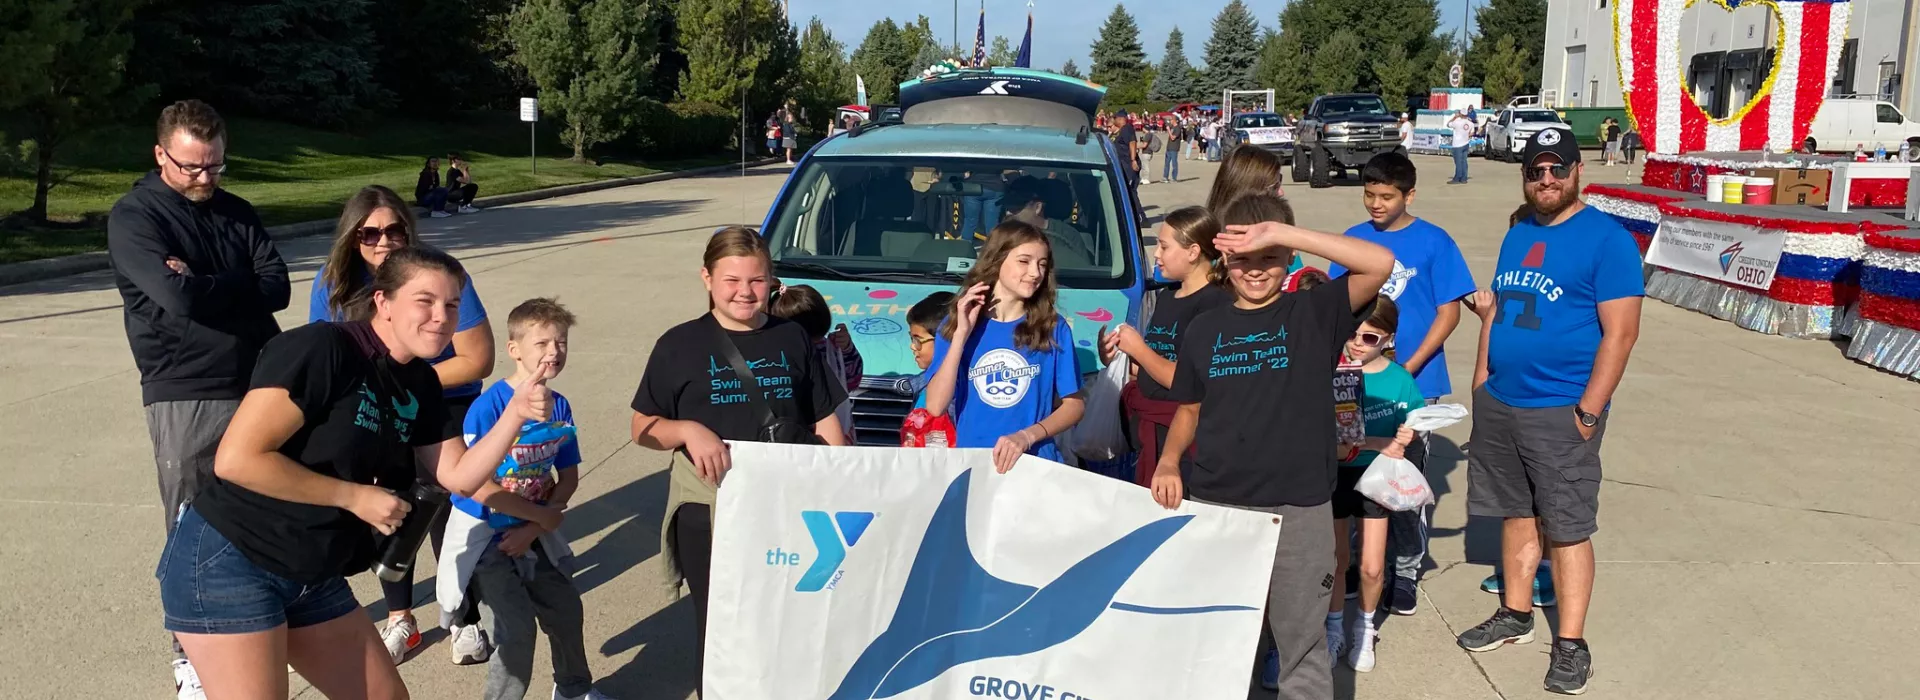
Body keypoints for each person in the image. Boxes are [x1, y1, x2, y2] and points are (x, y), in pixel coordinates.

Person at [157, 245, 544, 700]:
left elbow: (458, 475)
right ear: (383, 302)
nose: (442, 316)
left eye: (453, 304)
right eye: (425, 301)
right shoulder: (324, 348)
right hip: (232, 560)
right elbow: (237, 459)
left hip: (310, 569)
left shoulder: (419, 380)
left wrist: (515, 414)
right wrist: (353, 496)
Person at [1150, 193, 1395, 700]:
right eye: (1242, 260)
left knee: (1300, 644)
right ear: (1223, 260)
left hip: (1299, 506)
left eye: (1269, 259)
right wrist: (1170, 462)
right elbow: (1191, 410)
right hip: (1219, 502)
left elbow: (1379, 263)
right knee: (1218, 641)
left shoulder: (1314, 312)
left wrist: (1281, 232)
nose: (1255, 271)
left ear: (1287, 260)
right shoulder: (1204, 329)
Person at [109, 98, 292, 700]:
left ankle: (264, 626)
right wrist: (224, 286)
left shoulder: (235, 210)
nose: (206, 178)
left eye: (215, 165)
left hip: (260, 378)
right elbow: (175, 299)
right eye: (192, 167)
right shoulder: (136, 218)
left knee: (269, 508)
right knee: (193, 521)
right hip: (186, 389)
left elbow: (279, 287)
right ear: (161, 154)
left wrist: (206, 280)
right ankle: (190, 655)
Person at [1454, 127, 1644, 696]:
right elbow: (1501, 309)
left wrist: (1588, 411)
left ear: (1576, 170)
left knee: (1566, 527)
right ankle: (1515, 613)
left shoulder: (1607, 241)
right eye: (1535, 171)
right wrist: (1483, 378)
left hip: (1561, 408)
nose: (1546, 180)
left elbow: (1621, 335)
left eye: (1556, 169)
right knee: (1515, 513)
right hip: (1502, 400)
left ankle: (1571, 644)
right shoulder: (1520, 233)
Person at [631, 228, 849, 682]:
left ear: (772, 280)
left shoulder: (792, 337)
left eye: (757, 280)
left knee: (787, 622)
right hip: (710, 511)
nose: (745, 293)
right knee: (721, 630)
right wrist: (688, 430)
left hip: (788, 507)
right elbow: (643, 429)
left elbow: (825, 419)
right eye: (732, 280)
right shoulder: (679, 344)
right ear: (707, 278)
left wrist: (845, 478)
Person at [308, 185, 498, 666]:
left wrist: (406, 380)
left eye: (394, 229)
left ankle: (462, 615)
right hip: (375, 405)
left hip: (442, 401)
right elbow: (327, 357)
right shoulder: (331, 283)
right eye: (369, 232)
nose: (383, 240)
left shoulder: (440, 273)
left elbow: (478, 358)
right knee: (392, 509)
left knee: (448, 507)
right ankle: (401, 619)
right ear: (352, 238)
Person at [438, 298, 614, 700]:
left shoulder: (561, 406)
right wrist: (534, 518)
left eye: (561, 342)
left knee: (566, 611)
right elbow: (476, 486)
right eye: (542, 343)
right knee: (515, 631)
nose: (554, 351)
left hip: (532, 531)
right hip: (486, 536)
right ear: (514, 348)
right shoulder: (488, 408)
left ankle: (572, 690)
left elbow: (567, 476)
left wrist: (535, 526)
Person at [1327, 153, 1477, 614]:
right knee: (1354, 474)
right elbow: (1334, 309)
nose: (1376, 203)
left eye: (1387, 196)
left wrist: (1407, 366)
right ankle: (1357, 563)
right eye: (1369, 195)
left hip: (1415, 381)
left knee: (1404, 481)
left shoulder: (1434, 242)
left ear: (1409, 195)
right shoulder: (1353, 240)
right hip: (1356, 380)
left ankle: (1405, 570)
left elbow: (1449, 312)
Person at [922, 219, 1088, 472]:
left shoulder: (1052, 326)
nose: (1035, 273)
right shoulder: (958, 322)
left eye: (1042, 264)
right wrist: (961, 336)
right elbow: (935, 405)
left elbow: (1074, 405)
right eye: (1024, 261)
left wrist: (1028, 436)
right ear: (997, 260)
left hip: (1034, 465)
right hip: (974, 464)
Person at [1101, 206, 1231, 487]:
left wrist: (1138, 349)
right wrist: (1118, 355)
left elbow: (1186, 380)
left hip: (1185, 439)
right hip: (1151, 432)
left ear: (1193, 252)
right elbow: (1151, 364)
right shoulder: (1168, 296)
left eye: (1163, 246)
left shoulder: (1214, 304)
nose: (1156, 255)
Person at [1329, 297, 1422, 674]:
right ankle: (1333, 626)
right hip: (1335, 474)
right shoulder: (1330, 371)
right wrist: (1377, 442)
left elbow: (1416, 415)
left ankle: (1365, 628)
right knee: (1336, 561)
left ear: (1388, 340)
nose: (1356, 344)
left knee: (1370, 566)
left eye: (1369, 338)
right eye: (1351, 334)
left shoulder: (1399, 379)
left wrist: (1407, 435)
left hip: (1377, 477)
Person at [769, 284, 865, 444]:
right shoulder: (777, 354)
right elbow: (852, 381)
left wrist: (846, 349)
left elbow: (851, 380)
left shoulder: (827, 348)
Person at [901, 291, 959, 447]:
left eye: (918, 340)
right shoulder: (923, 385)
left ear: (944, 340)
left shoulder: (957, 393)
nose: (913, 346)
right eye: (911, 338)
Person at [1448, 109, 1474, 184]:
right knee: (1464, 161)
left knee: (1458, 162)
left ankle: (1457, 177)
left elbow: (1448, 124)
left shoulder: (1457, 122)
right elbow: (1472, 133)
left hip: (1457, 144)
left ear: (1460, 114)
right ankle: (1464, 178)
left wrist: (1454, 117)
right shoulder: (1470, 123)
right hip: (1466, 143)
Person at [1163, 118, 1184, 183]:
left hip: (1174, 148)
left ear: (1175, 121)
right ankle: (1165, 177)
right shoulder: (1172, 127)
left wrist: (1169, 130)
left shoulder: (1177, 128)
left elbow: (1173, 138)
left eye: (1172, 119)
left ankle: (1174, 178)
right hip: (1169, 148)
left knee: (1174, 163)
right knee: (1166, 163)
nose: (1170, 121)